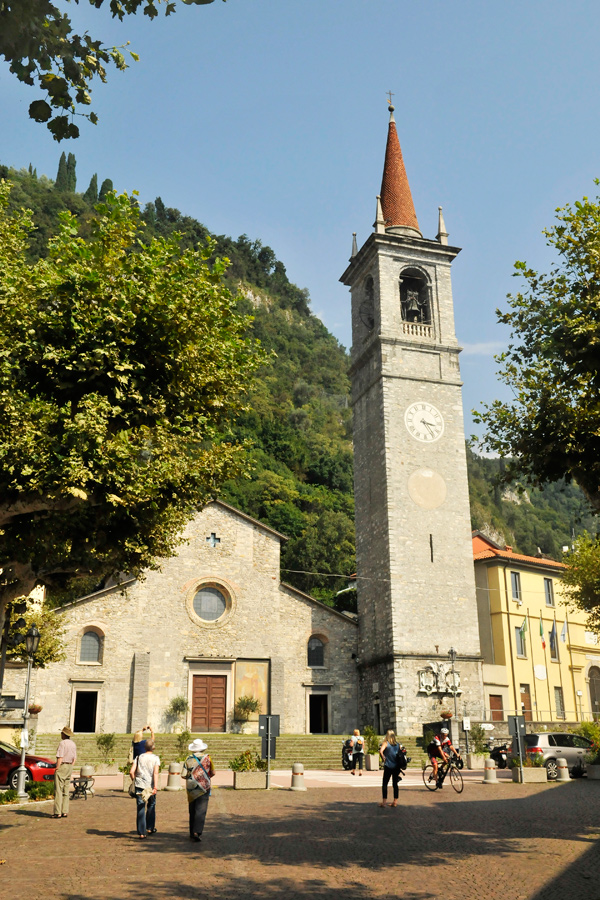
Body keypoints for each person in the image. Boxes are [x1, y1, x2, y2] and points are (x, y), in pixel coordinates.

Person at [182, 738, 215, 843]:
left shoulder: (188, 759)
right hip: (204, 787)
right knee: (201, 810)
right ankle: (197, 831)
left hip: (191, 788)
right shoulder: (208, 758)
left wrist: (191, 776)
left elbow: (183, 775)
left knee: (192, 809)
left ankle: (192, 832)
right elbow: (213, 772)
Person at [130, 738, 160, 839]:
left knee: (140, 807)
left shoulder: (138, 757)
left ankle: (141, 832)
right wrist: (155, 786)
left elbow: (131, 771)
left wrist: (134, 780)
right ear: (153, 747)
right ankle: (150, 827)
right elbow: (155, 773)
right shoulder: (155, 758)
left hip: (140, 785)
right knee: (151, 805)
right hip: (150, 786)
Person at [52, 726, 77, 818]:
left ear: (64, 734)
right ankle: (65, 811)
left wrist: (57, 767)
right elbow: (74, 758)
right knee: (66, 790)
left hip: (63, 766)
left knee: (58, 789)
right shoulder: (73, 744)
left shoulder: (62, 743)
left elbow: (60, 756)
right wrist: (71, 766)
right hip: (70, 766)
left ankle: (57, 812)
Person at [378, 729, 403, 808]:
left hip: (388, 766)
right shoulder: (398, 745)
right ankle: (395, 801)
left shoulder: (386, 743)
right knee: (395, 784)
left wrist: (383, 758)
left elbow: (381, 751)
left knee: (385, 783)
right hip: (396, 767)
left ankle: (384, 802)